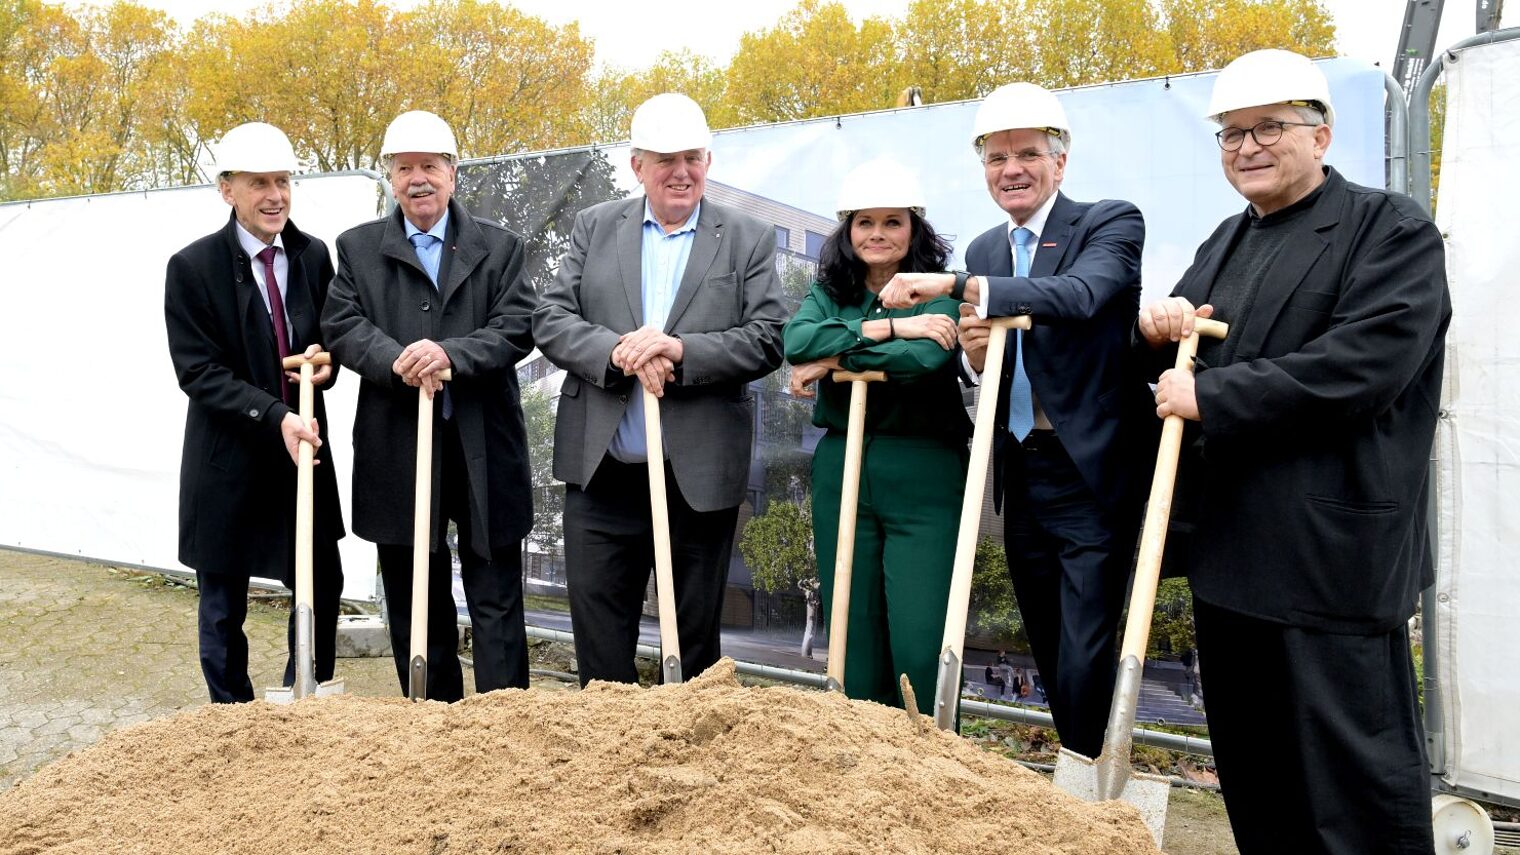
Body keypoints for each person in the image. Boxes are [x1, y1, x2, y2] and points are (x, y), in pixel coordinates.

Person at [1136, 50, 1448, 853]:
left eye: (1269, 127)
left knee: (1355, 800)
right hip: (1234, 562)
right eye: (1232, 133)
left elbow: (1364, 366)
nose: (1248, 147)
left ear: (1322, 133)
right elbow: (1183, 366)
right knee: (1261, 789)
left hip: (1330, 568)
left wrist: (1215, 395)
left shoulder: (1391, 230)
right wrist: (1159, 333)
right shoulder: (1227, 241)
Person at [880, 82, 1151, 758]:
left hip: (1091, 469)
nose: (1013, 169)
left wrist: (949, 284)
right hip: (1023, 468)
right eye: (997, 157)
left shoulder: (1109, 222)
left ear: (1060, 161)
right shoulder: (986, 250)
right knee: (1050, 636)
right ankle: (1076, 762)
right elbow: (992, 358)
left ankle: (1092, 775)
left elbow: (1080, 295)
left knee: (1087, 643)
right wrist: (975, 359)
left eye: (1028, 153)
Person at [533, 93, 785, 685]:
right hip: (603, 471)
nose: (682, 172)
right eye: (665, 159)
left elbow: (768, 337)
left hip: (695, 476)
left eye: (693, 157)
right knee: (599, 634)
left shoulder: (746, 236)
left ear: (708, 159)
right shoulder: (595, 227)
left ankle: (694, 768)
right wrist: (619, 352)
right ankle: (611, 759)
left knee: (693, 639)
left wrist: (680, 351)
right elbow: (550, 317)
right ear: (636, 166)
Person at [321, 110, 536, 701]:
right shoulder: (358, 249)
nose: (419, 179)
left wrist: (448, 355)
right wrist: (396, 360)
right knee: (415, 586)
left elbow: (518, 325)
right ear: (390, 178)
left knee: (495, 587)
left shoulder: (500, 247)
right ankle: (431, 716)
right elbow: (342, 324)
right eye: (405, 168)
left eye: (431, 167)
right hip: (398, 442)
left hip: (483, 440)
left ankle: (503, 718)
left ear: (453, 173)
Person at [164, 121, 345, 702]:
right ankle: (232, 720)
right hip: (228, 459)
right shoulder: (192, 268)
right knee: (222, 600)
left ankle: (304, 702)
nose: (276, 196)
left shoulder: (313, 256)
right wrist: (274, 416)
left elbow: (327, 345)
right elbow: (199, 372)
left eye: (284, 181)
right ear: (227, 190)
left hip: (302, 451)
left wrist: (325, 365)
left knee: (320, 581)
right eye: (259, 182)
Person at [782, 158, 967, 714]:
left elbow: (926, 357)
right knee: (850, 628)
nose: (878, 235)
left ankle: (933, 763)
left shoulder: (937, 288)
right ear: (847, 229)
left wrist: (832, 357)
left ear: (914, 228)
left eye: (893, 222)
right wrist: (889, 326)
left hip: (923, 468)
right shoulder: (829, 291)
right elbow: (797, 341)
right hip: (842, 464)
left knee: (920, 633)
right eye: (866, 222)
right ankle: (861, 769)